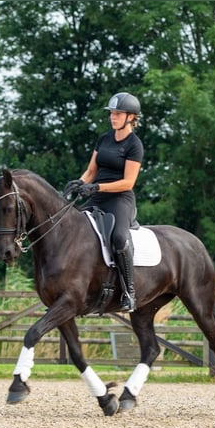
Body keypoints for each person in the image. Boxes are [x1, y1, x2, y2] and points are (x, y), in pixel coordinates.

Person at [64, 92, 144, 312]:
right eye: (112, 114)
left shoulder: (134, 145)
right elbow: (91, 171)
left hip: (119, 199)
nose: (113, 117)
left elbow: (128, 182)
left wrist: (97, 186)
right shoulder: (104, 139)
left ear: (131, 117)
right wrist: (79, 183)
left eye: (118, 114)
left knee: (118, 237)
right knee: (72, 228)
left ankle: (129, 291)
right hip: (97, 195)